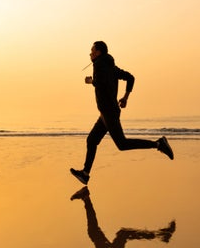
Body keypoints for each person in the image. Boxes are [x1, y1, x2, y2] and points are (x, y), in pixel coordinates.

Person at [70, 41, 174, 185]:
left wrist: (91, 81)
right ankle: (85, 174)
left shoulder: (98, 64)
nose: (90, 53)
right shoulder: (112, 67)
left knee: (122, 144)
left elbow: (101, 82)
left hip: (109, 112)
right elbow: (131, 78)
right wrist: (125, 98)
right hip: (106, 113)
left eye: (92, 50)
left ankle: (158, 144)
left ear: (99, 52)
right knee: (92, 140)